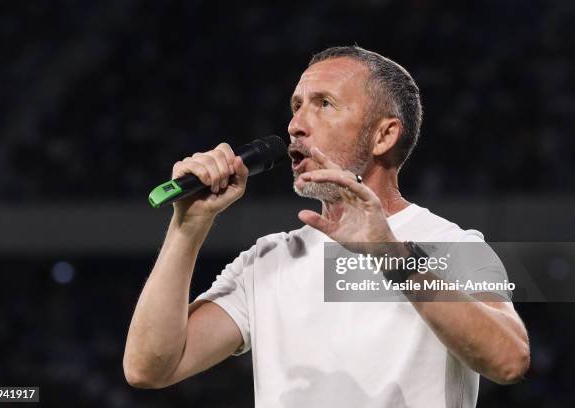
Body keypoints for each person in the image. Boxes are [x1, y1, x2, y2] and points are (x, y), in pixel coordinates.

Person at [123, 46, 530, 407]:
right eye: (296, 106)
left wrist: (393, 258)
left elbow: (509, 360)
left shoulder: (449, 244)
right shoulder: (268, 260)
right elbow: (150, 368)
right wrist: (188, 227)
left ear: (383, 136)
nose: (296, 125)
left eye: (324, 104)